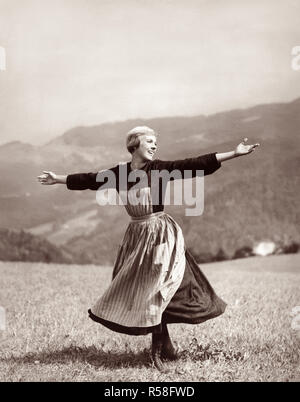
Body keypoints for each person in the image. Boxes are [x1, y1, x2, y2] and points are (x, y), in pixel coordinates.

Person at [37, 126, 260, 372]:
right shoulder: (119, 173)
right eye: (149, 142)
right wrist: (57, 178)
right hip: (136, 236)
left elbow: (194, 164)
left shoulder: (161, 169)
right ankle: (167, 346)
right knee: (143, 291)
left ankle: (157, 352)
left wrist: (235, 153)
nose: (154, 146)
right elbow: (90, 179)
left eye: (155, 142)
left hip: (160, 234)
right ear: (134, 145)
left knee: (159, 289)